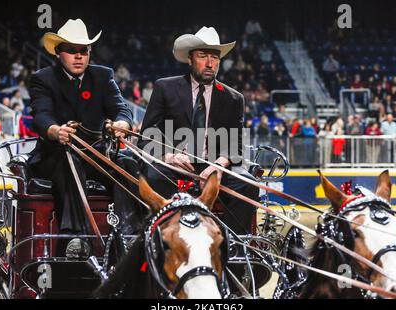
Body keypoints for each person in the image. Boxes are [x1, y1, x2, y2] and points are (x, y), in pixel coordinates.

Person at [28, 19, 141, 258]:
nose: (78, 56)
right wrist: (55, 131)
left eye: (83, 51)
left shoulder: (102, 76)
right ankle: (75, 236)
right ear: (59, 53)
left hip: (96, 153)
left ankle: (130, 233)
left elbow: (120, 109)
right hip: (55, 155)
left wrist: (122, 123)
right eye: (72, 50)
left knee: (128, 163)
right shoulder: (43, 78)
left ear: (89, 53)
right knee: (68, 158)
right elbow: (41, 115)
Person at [138, 26, 258, 234]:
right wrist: (170, 157)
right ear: (190, 59)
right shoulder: (165, 88)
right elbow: (146, 137)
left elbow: (236, 146)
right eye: (203, 56)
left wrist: (219, 165)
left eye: (215, 57)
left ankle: (233, 246)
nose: (210, 63)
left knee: (248, 184)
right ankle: (161, 239)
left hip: (213, 166)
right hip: (173, 166)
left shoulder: (233, 98)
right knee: (154, 175)